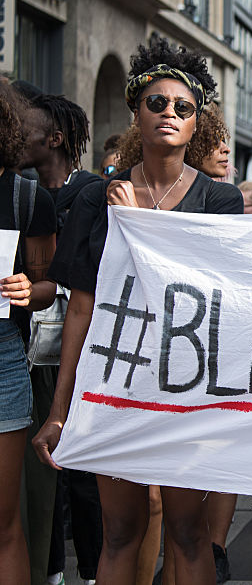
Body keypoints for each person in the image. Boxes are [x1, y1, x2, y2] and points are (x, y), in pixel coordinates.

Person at [33, 35, 243, 585]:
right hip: (116, 384)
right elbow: (80, 309)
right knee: (120, 532)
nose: (169, 114)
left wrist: (141, 227)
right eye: (157, 103)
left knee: (187, 531)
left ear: (198, 124)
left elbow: (216, 296)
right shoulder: (93, 199)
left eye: (184, 108)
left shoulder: (220, 201)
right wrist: (62, 409)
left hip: (186, 389)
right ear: (136, 113)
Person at [17, 90, 105, 585]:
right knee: (40, 472)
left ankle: (92, 572)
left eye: (24, 128)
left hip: (81, 350)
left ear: (54, 138)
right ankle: (49, 571)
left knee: (83, 478)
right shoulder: (23, 195)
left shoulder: (93, 192)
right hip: (29, 355)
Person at [0, 78, 58, 585]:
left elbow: (49, 285)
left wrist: (26, 288)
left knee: (3, 522)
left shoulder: (26, 197)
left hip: (3, 358)